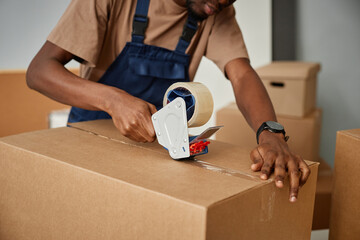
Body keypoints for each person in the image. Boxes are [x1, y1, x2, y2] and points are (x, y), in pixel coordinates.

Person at [26, 0, 310, 202]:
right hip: (89, 146)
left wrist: (271, 133)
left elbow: (242, 74)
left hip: (155, 153)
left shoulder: (213, 9)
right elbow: (39, 71)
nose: (224, 1)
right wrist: (112, 100)